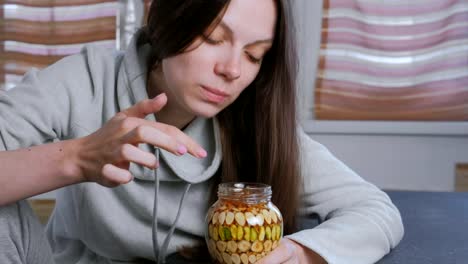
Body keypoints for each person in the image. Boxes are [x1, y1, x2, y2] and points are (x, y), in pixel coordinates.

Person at [0, 0, 404, 263]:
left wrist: (299, 253)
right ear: (167, 16)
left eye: (254, 55)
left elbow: (376, 211)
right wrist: (76, 158)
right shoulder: (84, 80)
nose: (232, 70)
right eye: (213, 38)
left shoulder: (256, 122)